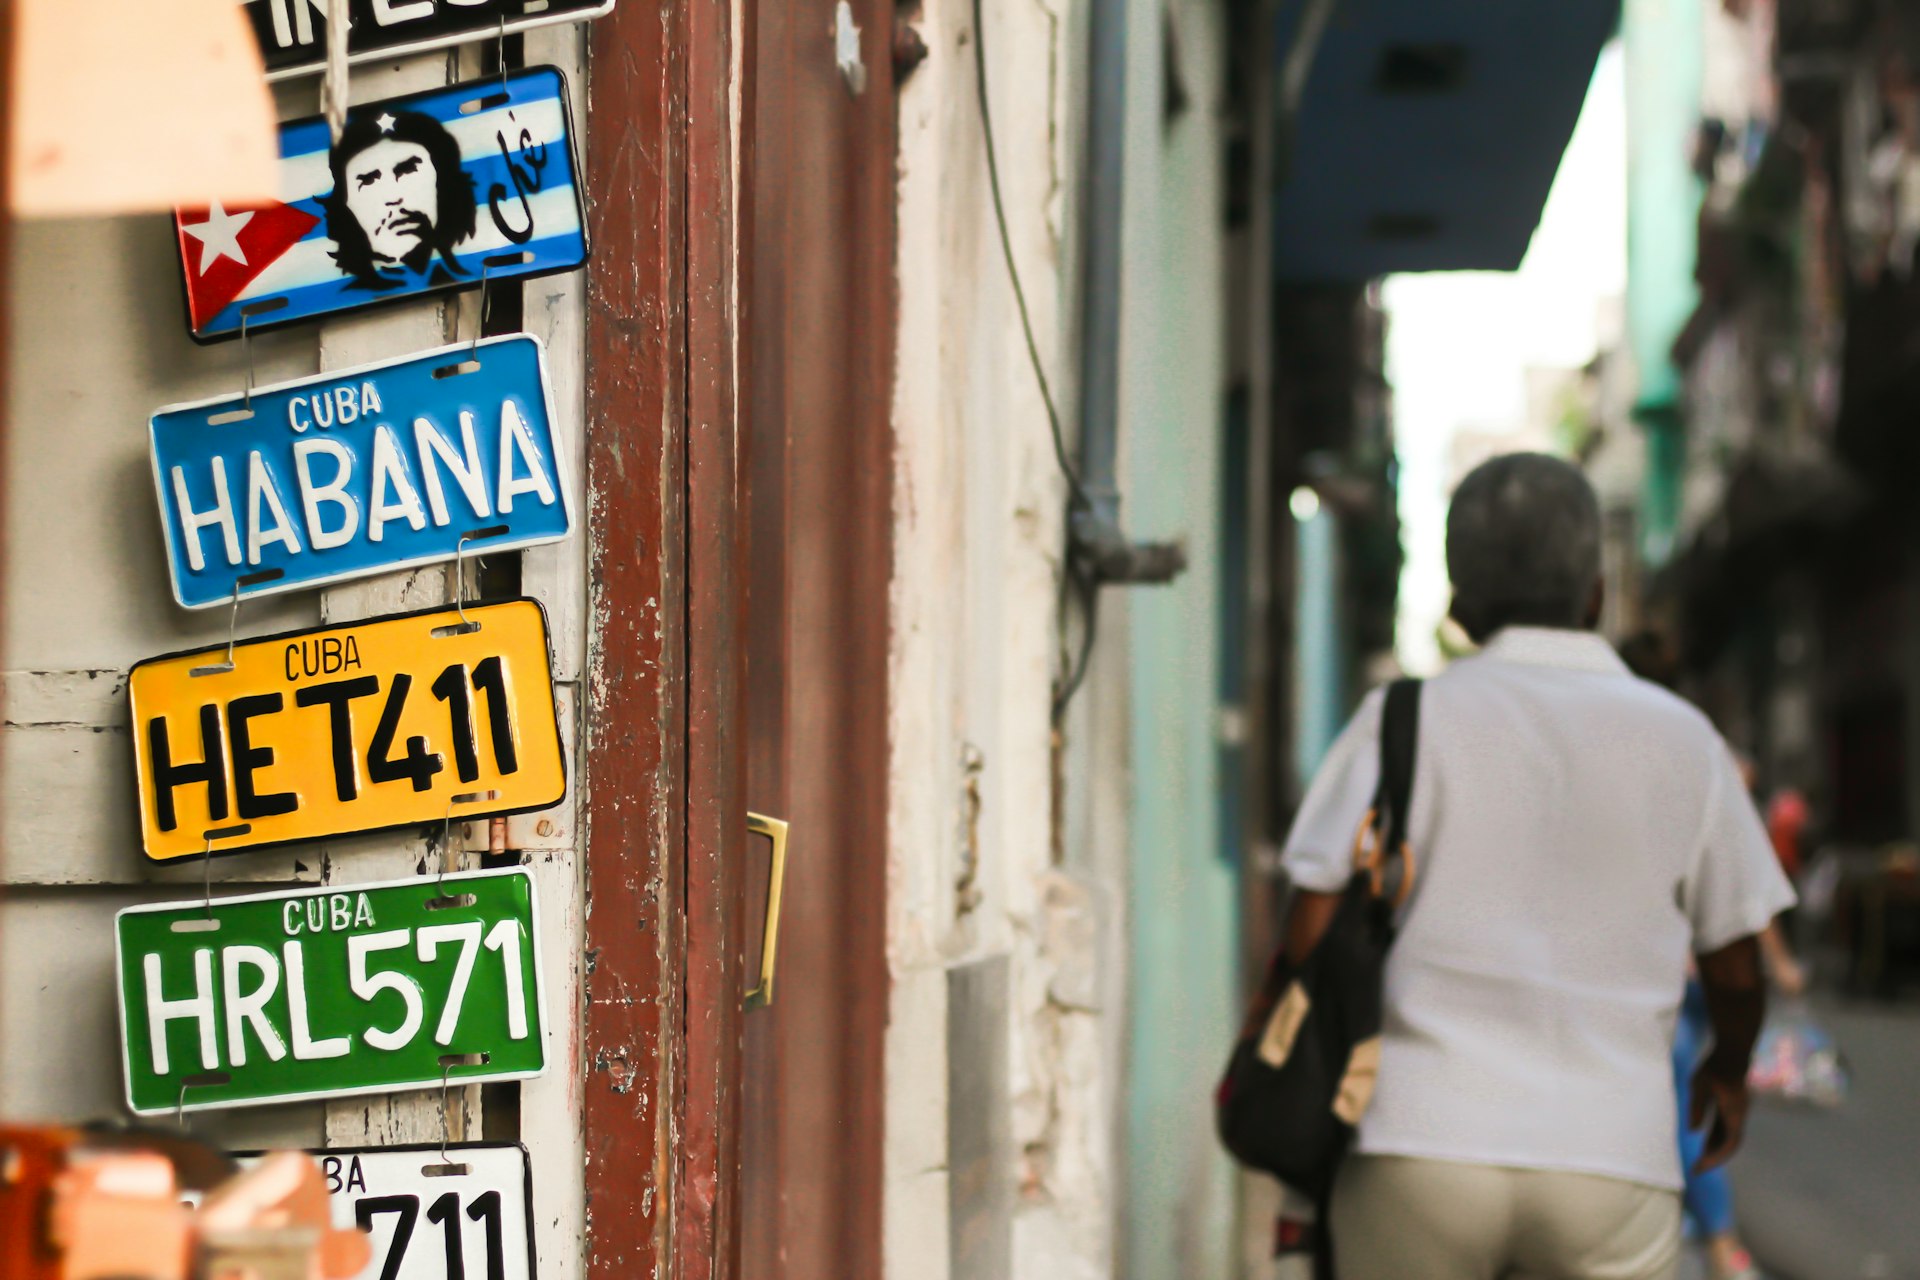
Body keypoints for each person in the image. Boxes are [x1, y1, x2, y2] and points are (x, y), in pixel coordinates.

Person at [1280, 454, 1796, 1280]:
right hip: (1610, 1159)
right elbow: (1735, 964)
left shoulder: (1401, 720)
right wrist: (1727, 1071)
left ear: (1459, 603)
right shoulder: (1685, 741)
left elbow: (1310, 920)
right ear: (1595, 592)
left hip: (1417, 1142)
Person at [322, 109, 477, 291]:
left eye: (408, 170)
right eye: (368, 180)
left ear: (442, 182)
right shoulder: (345, 297)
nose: (393, 197)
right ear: (344, 202)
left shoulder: (465, 275)